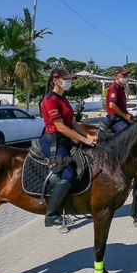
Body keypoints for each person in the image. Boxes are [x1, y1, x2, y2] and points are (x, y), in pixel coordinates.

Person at [40, 68, 97, 227]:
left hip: (66, 139)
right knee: (68, 175)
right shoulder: (50, 99)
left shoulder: (63, 98)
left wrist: (87, 137)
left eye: (70, 79)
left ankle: (78, 205)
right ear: (56, 80)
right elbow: (60, 127)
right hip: (54, 141)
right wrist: (82, 140)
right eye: (66, 79)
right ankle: (51, 215)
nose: (69, 82)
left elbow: (72, 123)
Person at [106, 66, 133, 133]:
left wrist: (128, 114)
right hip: (115, 119)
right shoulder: (114, 88)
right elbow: (112, 105)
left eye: (127, 75)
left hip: (121, 118)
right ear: (117, 75)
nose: (126, 77)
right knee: (128, 134)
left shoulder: (120, 88)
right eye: (123, 75)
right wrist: (125, 115)